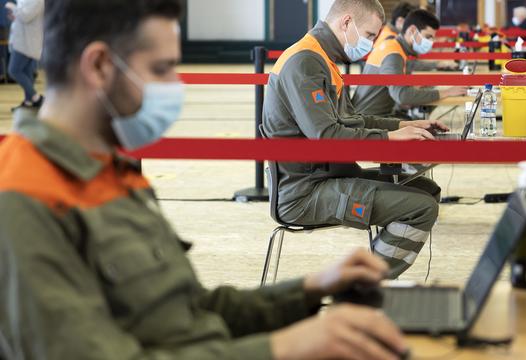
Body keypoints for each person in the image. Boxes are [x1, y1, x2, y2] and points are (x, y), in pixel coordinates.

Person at [0, 0, 409, 359]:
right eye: (161, 69)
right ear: (100, 66)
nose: (174, 88)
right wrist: (283, 348)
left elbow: (189, 309)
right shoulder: (25, 198)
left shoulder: (114, 176)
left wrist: (310, 289)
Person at [263, 0, 445, 278]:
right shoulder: (305, 62)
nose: (371, 44)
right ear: (346, 22)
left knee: (425, 189)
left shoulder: (322, 59)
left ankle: (369, 271)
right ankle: (363, 286)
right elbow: (327, 137)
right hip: (305, 193)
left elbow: (354, 120)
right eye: (370, 35)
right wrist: (390, 138)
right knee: (421, 208)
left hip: (327, 177)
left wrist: (405, 125)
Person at [352, 9, 466, 117]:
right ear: (412, 31)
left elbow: (398, 81)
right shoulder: (393, 53)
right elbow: (401, 95)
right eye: (428, 37)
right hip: (368, 121)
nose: (431, 42)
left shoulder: (395, 46)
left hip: (377, 115)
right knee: (423, 129)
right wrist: (445, 93)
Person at [6, 0, 44, 110]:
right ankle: (28, 102)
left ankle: (37, 98)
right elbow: (22, 15)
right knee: (27, 72)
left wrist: (13, 7)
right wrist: (15, 16)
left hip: (27, 42)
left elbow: (26, 16)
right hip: (22, 39)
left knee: (14, 70)